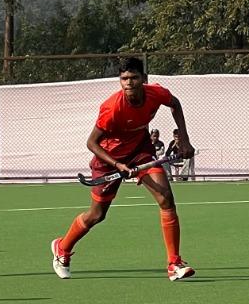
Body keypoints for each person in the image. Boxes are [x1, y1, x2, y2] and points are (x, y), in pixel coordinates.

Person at [51, 56, 195, 282]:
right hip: (109, 159)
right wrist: (118, 165)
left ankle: (174, 263)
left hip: (140, 151)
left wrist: (184, 139)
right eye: (124, 78)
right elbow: (91, 143)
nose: (128, 83)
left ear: (144, 79)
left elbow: (175, 103)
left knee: (166, 197)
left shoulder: (156, 94)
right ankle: (63, 247)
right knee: (97, 215)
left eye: (134, 78)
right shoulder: (112, 108)